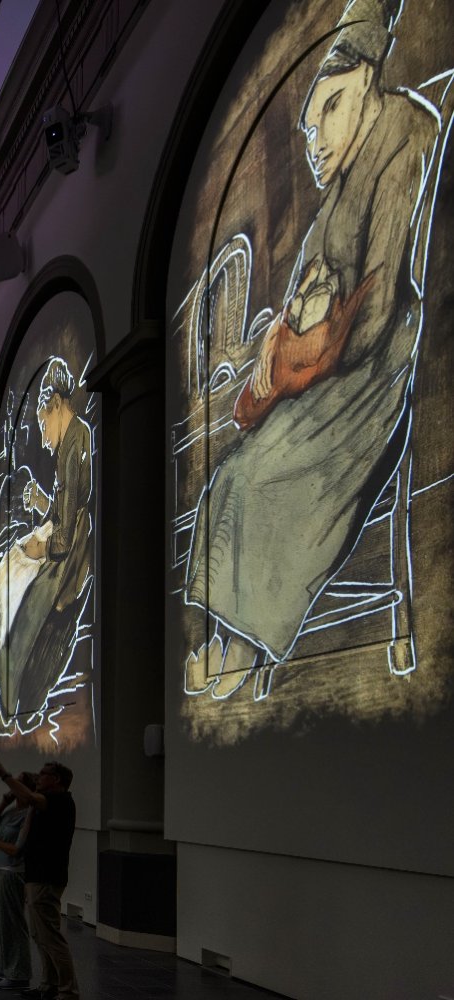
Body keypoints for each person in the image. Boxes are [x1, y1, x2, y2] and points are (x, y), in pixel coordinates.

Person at [184, 0, 441, 696]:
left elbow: (377, 305)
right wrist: (291, 331)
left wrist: (315, 333)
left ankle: (246, 647)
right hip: (321, 371)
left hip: (370, 372)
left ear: (366, 82)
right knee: (226, 479)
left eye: (330, 108)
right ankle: (222, 634)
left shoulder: (407, 131)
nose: (316, 139)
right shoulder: (336, 191)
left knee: (257, 477)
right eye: (308, 127)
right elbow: (304, 284)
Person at [0, 357, 94, 723]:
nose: (43, 437)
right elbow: (61, 507)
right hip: (64, 539)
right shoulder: (70, 440)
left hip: (70, 555)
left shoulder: (75, 442)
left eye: (43, 424)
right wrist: (42, 502)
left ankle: (18, 699)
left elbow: (66, 533)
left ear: (55, 405)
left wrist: (41, 548)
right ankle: (14, 697)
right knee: (10, 567)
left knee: (20, 587)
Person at [0, 754, 77, 1000]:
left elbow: (28, 797)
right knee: (41, 935)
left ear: (56, 779)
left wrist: (3, 773)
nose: (38, 777)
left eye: (44, 774)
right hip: (38, 875)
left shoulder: (59, 800)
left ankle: (68, 991)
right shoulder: (47, 801)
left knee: (50, 936)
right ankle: (48, 986)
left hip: (47, 877)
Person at [0, 772, 38, 991]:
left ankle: (18, 973)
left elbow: (16, 849)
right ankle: (3, 964)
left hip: (13, 872)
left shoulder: (29, 814)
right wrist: (3, 803)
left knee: (12, 922)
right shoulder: (11, 811)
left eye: (17, 784)